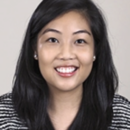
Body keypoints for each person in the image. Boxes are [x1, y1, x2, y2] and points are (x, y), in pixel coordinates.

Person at [0, 0, 130, 130]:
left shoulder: (123, 117)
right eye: (52, 40)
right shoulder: (4, 115)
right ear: (35, 49)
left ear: (95, 50)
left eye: (80, 41)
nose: (66, 54)